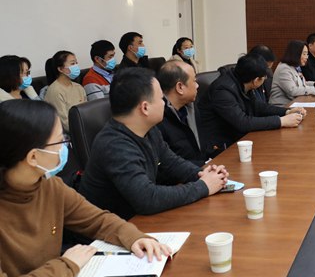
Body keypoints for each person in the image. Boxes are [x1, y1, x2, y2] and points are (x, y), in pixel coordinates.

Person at [0, 99, 171, 277]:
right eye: (60, 141)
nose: (65, 148)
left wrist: (134, 237)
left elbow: (97, 220)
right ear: (33, 157)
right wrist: (67, 265)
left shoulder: (50, 187)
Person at [79, 68, 228, 220]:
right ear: (145, 107)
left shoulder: (149, 130)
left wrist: (204, 174)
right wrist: (203, 186)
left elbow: (172, 163)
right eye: (161, 99)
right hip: (110, 228)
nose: (164, 103)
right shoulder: (114, 145)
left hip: (137, 220)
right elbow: (147, 199)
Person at [198, 53, 304, 156]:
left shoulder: (242, 81)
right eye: (264, 78)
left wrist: (286, 111)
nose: (265, 80)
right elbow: (242, 122)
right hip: (221, 148)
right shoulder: (223, 91)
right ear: (256, 80)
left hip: (239, 139)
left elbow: (258, 107)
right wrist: (281, 121)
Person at [157, 60, 207, 166]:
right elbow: (167, 165)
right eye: (194, 81)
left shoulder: (192, 105)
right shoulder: (158, 118)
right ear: (180, 87)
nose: (197, 86)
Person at [270, 41, 315, 105]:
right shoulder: (284, 69)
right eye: (304, 54)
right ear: (295, 54)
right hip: (282, 106)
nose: (306, 57)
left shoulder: (294, 67)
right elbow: (293, 91)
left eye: (307, 54)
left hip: (295, 104)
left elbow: (301, 84)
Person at [43, 50, 86, 133]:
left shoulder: (78, 87)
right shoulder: (55, 90)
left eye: (76, 63)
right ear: (60, 69)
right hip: (68, 134)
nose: (76, 66)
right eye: (72, 63)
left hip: (84, 129)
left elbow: (86, 112)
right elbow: (65, 123)